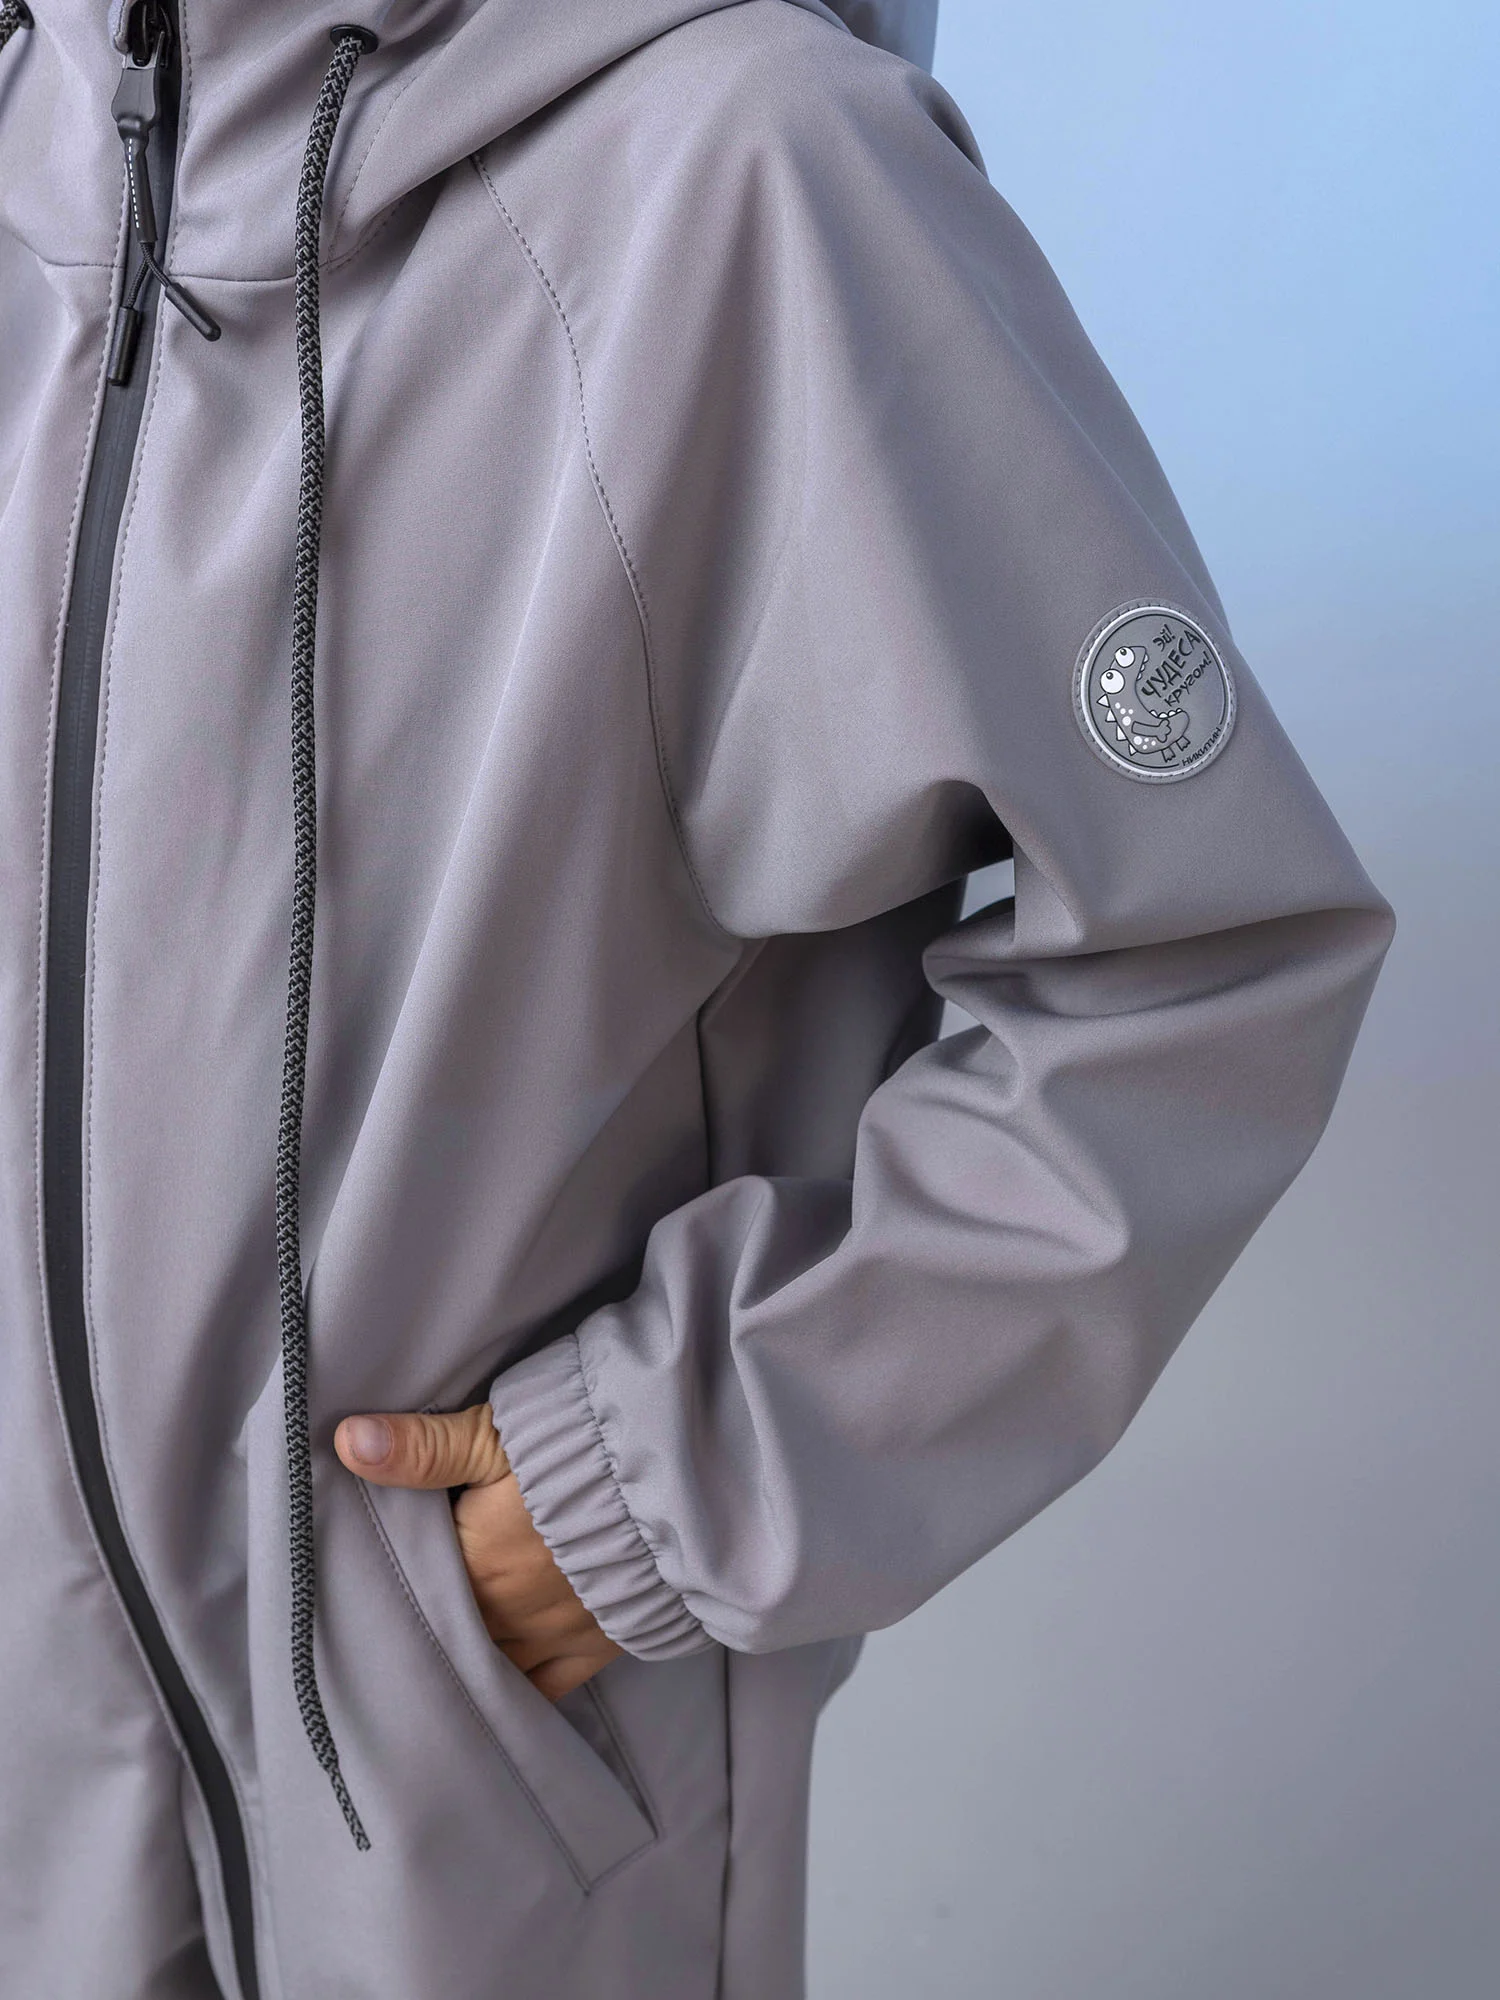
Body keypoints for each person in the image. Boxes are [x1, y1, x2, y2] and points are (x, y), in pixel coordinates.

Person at [0, 1, 1392, 1995]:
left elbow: (1207, 954)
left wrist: (654, 1485)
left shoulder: (750, 175)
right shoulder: (34, 129)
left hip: (453, 1806)